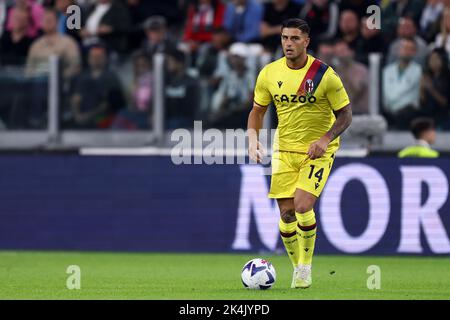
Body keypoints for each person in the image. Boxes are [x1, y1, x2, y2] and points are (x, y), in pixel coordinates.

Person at [247, 18, 352, 289]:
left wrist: (325, 138)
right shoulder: (269, 73)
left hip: (316, 151)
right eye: (284, 38)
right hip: (283, 150)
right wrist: (252, 139)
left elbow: (345, 114)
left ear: (306, 41)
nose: (288, 44)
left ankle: (305, 267)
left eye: (294, 38)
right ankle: (296, 268)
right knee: (286, 215)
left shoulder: (324, 75)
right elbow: (257, 111)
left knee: (303, 206)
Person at [382, 38, 422, 129]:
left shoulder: (419, 71)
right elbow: (384, 91)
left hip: (407, 114)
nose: (406, 52)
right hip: (387, 112)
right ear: (398, 50)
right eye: (404, 48)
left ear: (414, 52)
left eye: (410, 49)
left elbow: (404, 92)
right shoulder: (387, 70)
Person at [419, 48, 450, 129]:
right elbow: (422, 102)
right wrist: (421, 89)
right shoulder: (427, 75)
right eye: (431, 59)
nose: (433, 62)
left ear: (443, 60)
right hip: (427, 115)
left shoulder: (448, 77)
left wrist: (431, 89)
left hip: (444, 116)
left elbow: (445, 103)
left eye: (436, 59)